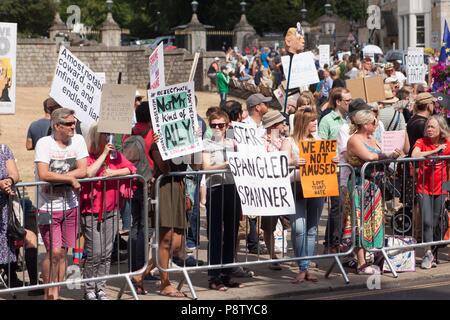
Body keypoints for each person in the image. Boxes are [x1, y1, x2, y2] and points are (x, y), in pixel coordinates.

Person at [35, 108, 88, 300]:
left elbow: (83, 170)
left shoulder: (79, 140)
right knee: (53, 252)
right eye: (69, 124)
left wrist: (64, 179)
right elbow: (44, 174)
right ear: (57, 126)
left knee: (63, 251)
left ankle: (55, 292)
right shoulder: (44, 143)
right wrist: (70, 179)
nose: (73, 126)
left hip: (70, 206)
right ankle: (49, 292)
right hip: (46, 207)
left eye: (74, 123)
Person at [80, 125, 136, 300]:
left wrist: (113, 172)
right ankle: (89, 288)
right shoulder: (87, 156)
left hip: (111, 210)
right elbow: (89, 173)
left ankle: (101, 287)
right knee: (94, 253)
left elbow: (131, 169)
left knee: (106, 253)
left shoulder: (115, 156)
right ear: (98, 137)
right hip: (91, 212)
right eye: (105, 134)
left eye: (110, 134)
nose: (109, 137)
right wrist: (103, 154)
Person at [342, 110, 400, 274]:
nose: (376, 124)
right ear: (365, 124)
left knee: (373, 222)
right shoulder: (354, 139)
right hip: (360, 186)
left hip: (374, 187)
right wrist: (384, 154)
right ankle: (361, 262)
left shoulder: (372, 138)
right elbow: (369, 156)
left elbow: (380, 156)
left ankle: (368, 258)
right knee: (359, 223)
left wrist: (392, 155)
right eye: (374, 122)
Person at [281, 108, 326, 283]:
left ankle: (305, 267)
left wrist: (332, 160)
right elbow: (281, 163)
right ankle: (302, 267)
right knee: (299, 228)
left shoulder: (319, 140)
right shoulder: (289, 141)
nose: (315, 123)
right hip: (296, 187)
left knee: (312, 229)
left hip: (317, 187)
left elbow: (328, 159)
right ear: (302, 123)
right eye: (312, 121)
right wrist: (293, 162)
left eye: (316, 120)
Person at [203, 110, 244, 291]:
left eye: (221, 125)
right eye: (214, 125)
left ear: (227, 126)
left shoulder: (233, 142)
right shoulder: (206, 143)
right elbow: (206, 167)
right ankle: (214, 275)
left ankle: (227, 273)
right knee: (216, 234)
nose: (217, 128)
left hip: (232, 188)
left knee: (231, 233)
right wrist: (226, 165)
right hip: (215, 188)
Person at [411, 115, 450, 269]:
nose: (429, 129)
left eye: (433, 126)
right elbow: (414, 155)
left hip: (441, 187)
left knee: (436, 221)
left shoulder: (447, 143)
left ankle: (433, 252)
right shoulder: (422, 142)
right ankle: (427, 253)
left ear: (441, 129)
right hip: (423, 187)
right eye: (428, 126)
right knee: (427, 222)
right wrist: (434, 150)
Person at [318, 88, 352, 253]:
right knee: (336, 207)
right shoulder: (327, 120)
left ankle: (334, 241)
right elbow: (321, 145)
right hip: (335, 169)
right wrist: (331, 157)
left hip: (348, 168)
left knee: (342, 207)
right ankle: (331, 243)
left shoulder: (348, 120)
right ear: (338, 102)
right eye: (347, 100)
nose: (349, 103)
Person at [261, 110, 290, 270]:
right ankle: (273, 256)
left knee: (289, 223)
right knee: (269, 226)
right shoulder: (261, 141)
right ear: (273, 125)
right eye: (281, 123)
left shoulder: (285, 140)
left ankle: (288, 253)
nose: (284, 125)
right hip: (269, 188)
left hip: (286, 187)